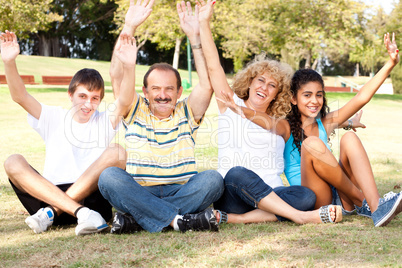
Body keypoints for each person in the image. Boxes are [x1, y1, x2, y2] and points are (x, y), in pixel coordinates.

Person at [219, 29, 401, 227]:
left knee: (349, 139)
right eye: (307, 95)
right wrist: (239, 109)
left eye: (319, 95)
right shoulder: (286, 127)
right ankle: (362, 200)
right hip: (316, 199)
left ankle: (376, 207)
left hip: (341, 196)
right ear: (293, 99)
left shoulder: (326, 123)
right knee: (312, 144)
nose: (314, 101)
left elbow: (361, 98)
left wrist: (390, 63)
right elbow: (266, 121)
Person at [197, 0, 342, 225]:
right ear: (250, 81)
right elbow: (214, 65)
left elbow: (314, 119)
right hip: (235, 191)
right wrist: (204, 23)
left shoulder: (280, 123)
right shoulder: (230, 103)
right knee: (237, 172)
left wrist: (347, 122)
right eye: (260, 81)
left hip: (272, 194)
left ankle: (238, 220)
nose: (264, 87)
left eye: (272, 85)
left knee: (306, 195)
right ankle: (299, 217)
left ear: (277, 93)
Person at [98, 0, 224, 234]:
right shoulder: (134, 108)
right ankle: (178, 220)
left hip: (182, 190)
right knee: (109, 177)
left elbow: (207, 85)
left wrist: (195, 37)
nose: (163, 95)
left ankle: (139, 219)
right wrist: (129, 26)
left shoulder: (187, 112)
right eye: (156, 89)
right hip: (140, 190)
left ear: (179, 92)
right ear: (145, 92)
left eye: (169, 89)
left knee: (213, 180)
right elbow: (116, 75)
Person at [1, 30, 138, 235]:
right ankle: (77, 213)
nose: (88, 104)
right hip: (49, 194)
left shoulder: (103, 121)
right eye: (82, 96)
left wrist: (129, 66)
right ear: (70, 95)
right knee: (12, 161)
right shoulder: (53, 117)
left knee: (117, 152)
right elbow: (20, 96)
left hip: (91, 201)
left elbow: (125, 100)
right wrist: (9, 62)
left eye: (94, 98)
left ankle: (53, 213)